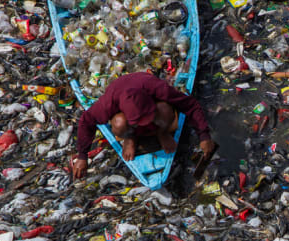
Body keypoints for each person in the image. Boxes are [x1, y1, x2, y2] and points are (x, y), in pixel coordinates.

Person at [71, 72, 215, 178]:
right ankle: (131, 137)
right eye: (140, 123)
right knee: (119, 124)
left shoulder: (156, 88)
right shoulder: (108, 103)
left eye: (148, 118)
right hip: (128, 124)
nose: (145, 124)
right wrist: (83, 156)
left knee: (165, 110)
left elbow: (189, 104)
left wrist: (204, 135)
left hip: (158, 114)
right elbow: (86, 121)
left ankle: (162, 133)